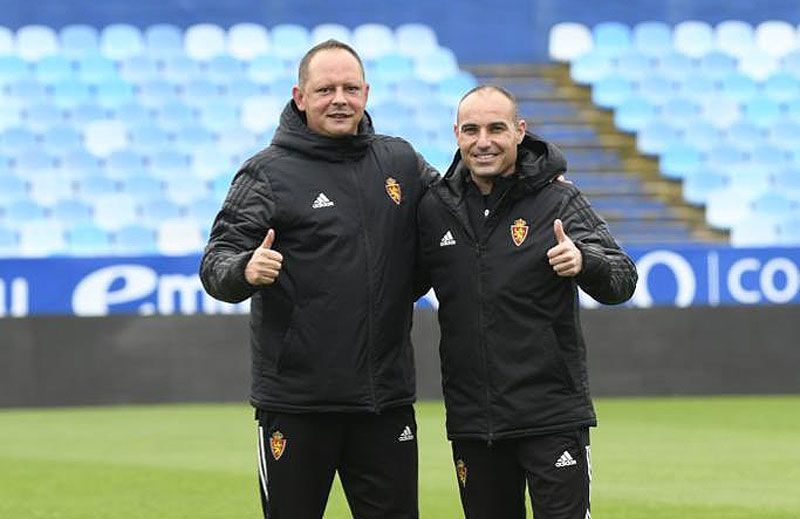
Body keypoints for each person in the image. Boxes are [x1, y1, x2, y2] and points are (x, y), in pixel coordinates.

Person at [200, 39, 437, 519]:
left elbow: (461, 205)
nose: (340, 99)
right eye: (325, 88)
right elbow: (217, 262)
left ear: (367, 93)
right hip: (297, 404)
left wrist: (531, 183)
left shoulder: (400, 162)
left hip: (383, 401)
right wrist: (245, 270)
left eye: (350, 88)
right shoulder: (266, 173)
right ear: (300, 96)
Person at [416, 85, 638, 519]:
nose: (484, 141)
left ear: (520, 131)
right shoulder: (434, 208)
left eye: (496, 128)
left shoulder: (558, 199)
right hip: (473, 422)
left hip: (550, 416)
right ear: (456, 135)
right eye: (472, 130)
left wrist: (583, 260)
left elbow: (622, 278)